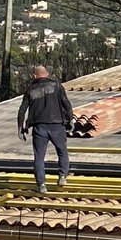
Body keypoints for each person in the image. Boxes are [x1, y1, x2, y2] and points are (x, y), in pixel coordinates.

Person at [17, 65, 74, 193]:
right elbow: (66, 103)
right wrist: (71, 119)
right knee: (62, 151)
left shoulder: (30, 89)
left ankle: (42, 185)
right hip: (57, 125)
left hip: (39, 127)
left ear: (34, 76)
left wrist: (20, 127)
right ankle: (63, 176)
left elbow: (22, 110)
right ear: (47, 74)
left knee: (39, 156)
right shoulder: (57, 86)